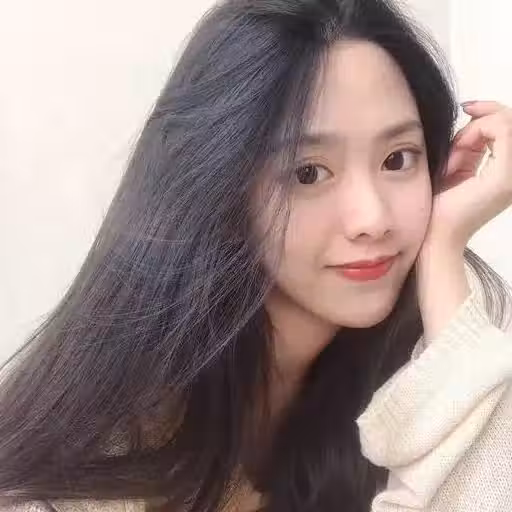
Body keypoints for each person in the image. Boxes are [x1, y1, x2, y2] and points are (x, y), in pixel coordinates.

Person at [1, 0, 512, 510]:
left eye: (397, 159)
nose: (372, 218)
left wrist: (443, 251)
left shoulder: (438, 332)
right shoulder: (93, 471)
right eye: (308, 173)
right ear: (221, 184)